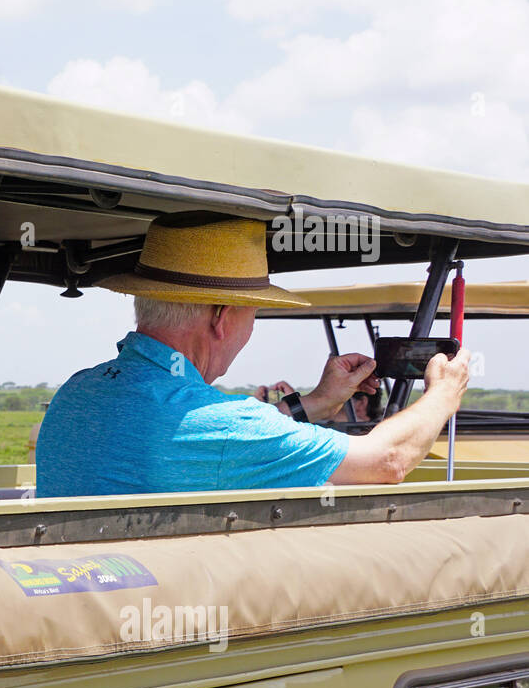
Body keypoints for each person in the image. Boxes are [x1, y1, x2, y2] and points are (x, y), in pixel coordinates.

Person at [36, 212, 469, 497]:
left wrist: (316, 403)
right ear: (222, 317)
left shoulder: (76, 391)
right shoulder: (224, 424)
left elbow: (222, 440)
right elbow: (387, 461)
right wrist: (443, 395)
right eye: (253, 314)